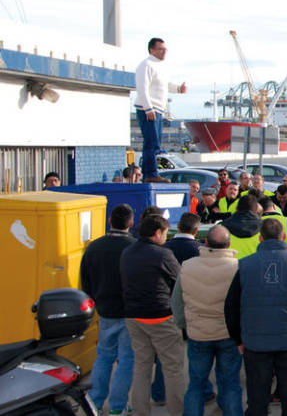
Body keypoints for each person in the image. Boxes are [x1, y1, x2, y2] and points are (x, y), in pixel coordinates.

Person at [224, 218, 287, 416]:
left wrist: (238, 339)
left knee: (257, 399)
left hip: (255, 342)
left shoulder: (245, 265)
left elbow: (231, 307)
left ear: (260, 238)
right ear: (283, 237)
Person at [170, 225, 242, 416]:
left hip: (198, 334)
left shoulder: (188, 266)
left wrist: (185, 326)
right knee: (230, 382)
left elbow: (176, 302)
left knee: (196, 383)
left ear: (206, 242)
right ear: (229, 244)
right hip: (229, 334)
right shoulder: (238, 267)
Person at [119, 214, 185, 416]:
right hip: (161, 316)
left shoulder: (127, 252)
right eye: (165, 233)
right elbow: (180, 280)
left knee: (141, 367)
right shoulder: (163, 255)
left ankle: (140, 411)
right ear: (158, 233)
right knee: (172, 368)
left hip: (133, 317)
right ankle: (177, 411)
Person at [80, 204, 136, 416]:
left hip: (105, 311)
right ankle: (118, 406)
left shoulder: (93, 247)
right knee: (126, 359)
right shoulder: (133, 247)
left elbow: (85, 280)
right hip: (128, 312)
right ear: (131, 223)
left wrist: (96, 300)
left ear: (109, 221)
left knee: (103, 356)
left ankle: (95, 402)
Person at [134, 38, 185, 183]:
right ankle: (150, 174)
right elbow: (142, 87)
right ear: (152, 50)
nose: (164, 52)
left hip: (158, 109)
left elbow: (165, 85)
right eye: (161, 49)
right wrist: (148, 108)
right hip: (149, 109)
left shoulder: (161, 67)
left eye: (165, 49)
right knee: (151, 142)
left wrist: (178, 89)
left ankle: (152, 172)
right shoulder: (146, 65)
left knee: (156, 142)